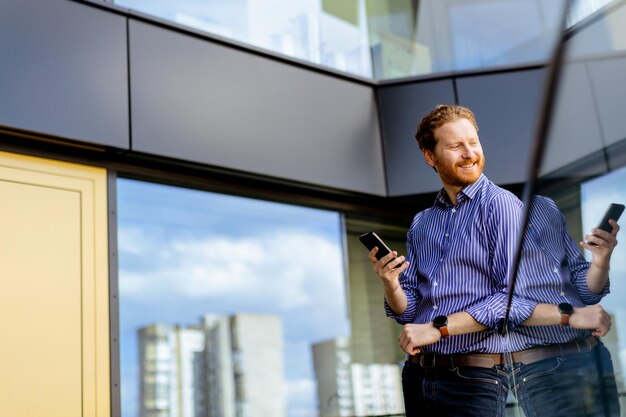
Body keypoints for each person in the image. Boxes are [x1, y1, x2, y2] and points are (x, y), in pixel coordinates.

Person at [368, 104, 523, 417]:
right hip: (418, 375)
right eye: (455, 146)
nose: (469, 153)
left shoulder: (501, 206)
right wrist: (390, 283)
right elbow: (408, 309)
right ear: (430, 156)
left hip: (474, 377)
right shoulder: (422, 222)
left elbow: (513, 299)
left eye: (474, 142)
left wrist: (437, 330)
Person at [506, 195, 621, 417]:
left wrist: (600, 259)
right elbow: (492, 306)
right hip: (539, 365)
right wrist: (570, 315)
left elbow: (584, 288)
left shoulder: (544, 205)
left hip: (592, 353)